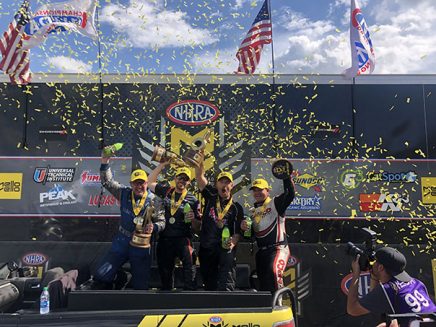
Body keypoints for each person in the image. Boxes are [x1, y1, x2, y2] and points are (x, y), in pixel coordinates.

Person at [93, 148, 165, 290]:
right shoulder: (124, 193)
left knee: (140, 284)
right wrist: (105, 161)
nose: (139, 186)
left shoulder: (155, 200)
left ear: (146, 183)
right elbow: (107, 181)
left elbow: (162, 221)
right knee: (102, 274)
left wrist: (154, 227)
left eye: (142, 183)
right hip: (122, 240)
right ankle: (122, 277)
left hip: (141, 244)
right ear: (131, 184)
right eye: (136, 183)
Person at [347, 247, 436, 325]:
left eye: (375, 262)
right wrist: (374, 277)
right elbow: (374, 305)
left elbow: (352, 309)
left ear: (380, 267)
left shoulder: (388, 289)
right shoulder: (417, 283)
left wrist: (356, 273)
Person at [148, 162, 201, 290]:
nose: (182, 181)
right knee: (165, 274)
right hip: (165, 238)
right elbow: (149, 182)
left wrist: (193, 219)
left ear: (189, 182)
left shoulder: (193, 200)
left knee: (189, 267)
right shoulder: (166, 191)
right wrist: (162, 165)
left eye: (185, 179)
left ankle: (190, 298)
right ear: (175, 178)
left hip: (183, 238)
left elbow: (198, 227)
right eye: (179, 177)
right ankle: (167, 300)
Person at [194, 157, 244, 291]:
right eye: (221, 182)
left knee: (226, 283)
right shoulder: (210, 195)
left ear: (232, 185)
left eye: (227, 182)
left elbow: (237, 233)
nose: (224, 185)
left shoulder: (237, 208)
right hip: (207, 247)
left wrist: (232, 243)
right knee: (208, 283)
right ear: (216, 185)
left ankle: (226, 307)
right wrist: (200, 157)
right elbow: (199, 176)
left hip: (224, 250)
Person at [240, 177, 295, 293]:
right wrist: (244, 228)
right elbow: (249, 236)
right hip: (261, 252)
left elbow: (289, 195)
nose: (257, 193)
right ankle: (267, 308)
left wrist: (286, 178)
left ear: (267, 191)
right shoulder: (252, 212)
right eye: (255, 190)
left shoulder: (275, 203)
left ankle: (279, 304)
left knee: (274, 272)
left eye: (260, 190)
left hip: (278, 248)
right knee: (263, 284)